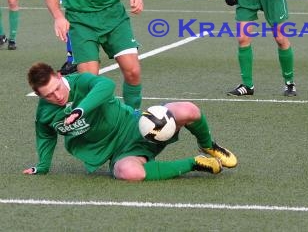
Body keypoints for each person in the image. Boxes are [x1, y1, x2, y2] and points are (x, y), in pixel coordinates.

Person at [23, 62, 237, 181]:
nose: (57, 96)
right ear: (39, 95)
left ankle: (209, 146)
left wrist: (81, 109)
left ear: (60, 77)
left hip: (137, 125)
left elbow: (105, 86)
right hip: (119, 152)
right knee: (128, 173)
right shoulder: (45, 114)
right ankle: (195, 163)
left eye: (57, 88)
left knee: (188, 110)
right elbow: (45, 137)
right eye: (49, 95)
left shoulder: (81, 80)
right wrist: (41, 167)